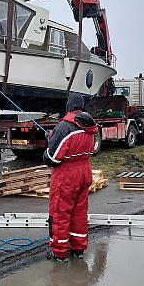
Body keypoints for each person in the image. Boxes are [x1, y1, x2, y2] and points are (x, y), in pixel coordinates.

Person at [43, 93, 98, 262]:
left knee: (60, 212)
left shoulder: (64, 127)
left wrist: (50, 140)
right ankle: (78, 248)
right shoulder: (91, 126)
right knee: (79, 212)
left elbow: (52, 158)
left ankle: (59, 252)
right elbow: (94, 150)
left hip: (67, 174)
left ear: (69, 106)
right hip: (84, 170)